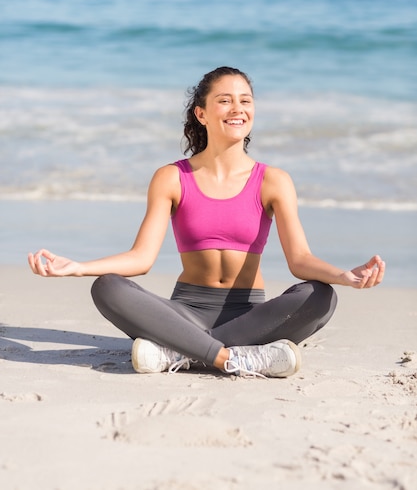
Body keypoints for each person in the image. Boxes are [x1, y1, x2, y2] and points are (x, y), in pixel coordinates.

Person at [28, 67, 385, 378]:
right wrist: (78, 268)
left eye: (246, 101)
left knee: (320, 295)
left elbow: (300, 261)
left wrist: (344, 276)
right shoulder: (171, 177)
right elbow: (141, 258)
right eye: (225, 100)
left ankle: (180, 352)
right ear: (202, 113)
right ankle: (232, 358)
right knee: (107, 287)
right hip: (184, 313)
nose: (238, 109)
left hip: (251, 315)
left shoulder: (273, 180)